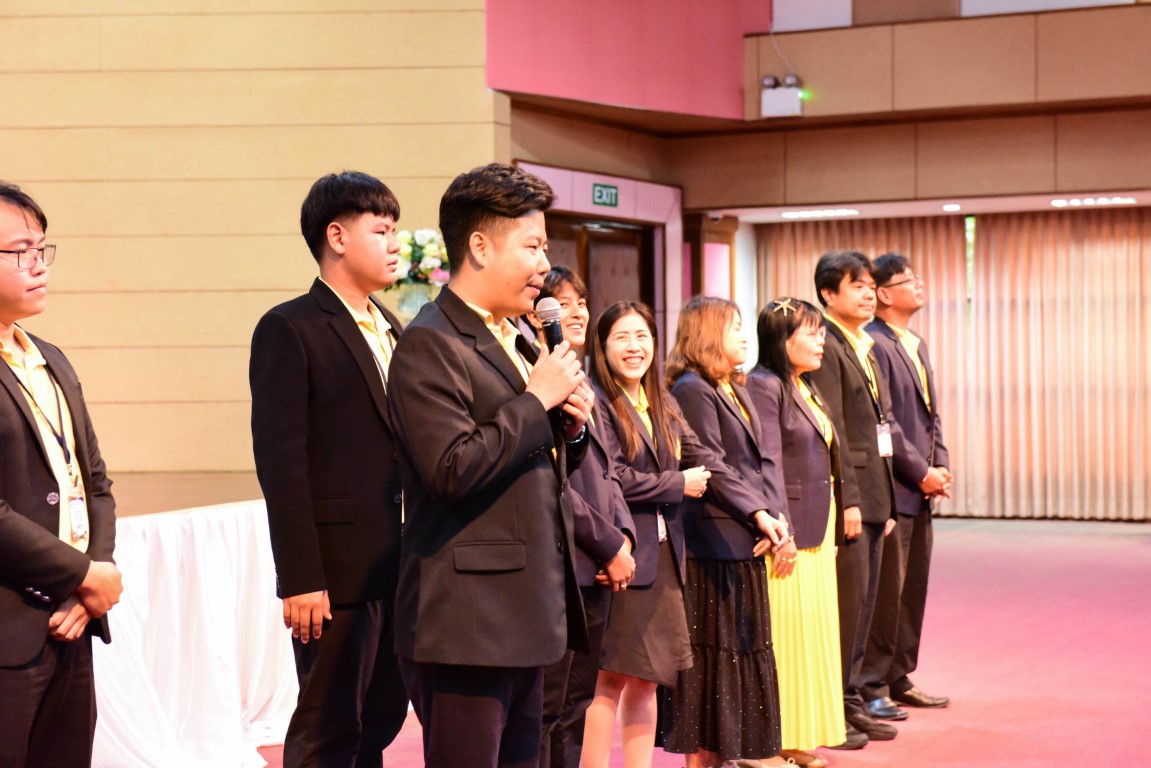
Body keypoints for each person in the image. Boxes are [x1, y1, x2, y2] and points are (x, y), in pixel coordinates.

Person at [386, 163, 592, 768]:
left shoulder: (514, 335)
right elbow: (451, 468)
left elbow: (531, 457)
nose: (543, 265)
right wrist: (536, 401)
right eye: (532, 246)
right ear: (479, 246)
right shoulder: (430, 342)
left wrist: (570, 428)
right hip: (468, 624)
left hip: (524, 612)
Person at [249, 171, 410, 767]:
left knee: (381, 718)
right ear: (337, 237)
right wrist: (300, 577)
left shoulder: (392, 327)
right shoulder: (290, 326)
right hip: (335, 573)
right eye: (382, 231)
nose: (395, 244)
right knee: (328, 728)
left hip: (399, 563)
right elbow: (281, 462)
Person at [0, 182, 123, 766]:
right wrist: (81, 574)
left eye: (41, 249)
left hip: (70, 621)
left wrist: (94, 575)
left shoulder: (49, 358)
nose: (39, 265)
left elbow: (94, 481)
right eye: (19, 251)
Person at [662, 296, 791, 768]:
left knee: (736, 657)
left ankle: (727, 758)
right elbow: (710, 464)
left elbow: (757, 464)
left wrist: (769, 514)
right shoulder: (692, 389)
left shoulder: (730, 385)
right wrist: (757, 513)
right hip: (712, 544)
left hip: (740, 537)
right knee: (713, 665)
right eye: (733, 326)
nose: (743, 334)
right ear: (706, 334)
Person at [527, 267, 637, 768]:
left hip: (599, 560)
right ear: (537, 315)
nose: (575, 312)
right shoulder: (535, 376)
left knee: (577, 702)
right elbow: (551, 481)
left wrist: (624, 536)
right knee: (547, 706)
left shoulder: (581, 377)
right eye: (563, 303)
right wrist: (607, 544)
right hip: (564, 559)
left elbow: (609, 470)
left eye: (581, 302)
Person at [747, 297, 850, 768]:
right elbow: (767, 461)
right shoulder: (764, 385)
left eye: (821, 332)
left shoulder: (802, 384)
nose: (821, 341)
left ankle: (793, 735)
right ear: (782, 340)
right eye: (811, 333)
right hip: (788, 530)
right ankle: (766, 741)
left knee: (810, 634)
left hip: (817, 526)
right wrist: (781, 529)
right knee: (785, 638)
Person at [805, 251, 898, 750]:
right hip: (852, 498)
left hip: (876, 494)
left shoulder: (865, 343)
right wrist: (851, 500)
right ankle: (836, 708)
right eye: (856, 285)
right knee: (848, 606)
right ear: (828, 294)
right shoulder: (827, 343)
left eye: (870, 285)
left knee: (865, 606)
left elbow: (878, 428)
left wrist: (885, 502)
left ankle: (851, 699)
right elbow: (835, 430)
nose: (868, 293)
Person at [858, 254, 952, 718]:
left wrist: (941, 466)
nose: (918, 285)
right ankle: (872, 682)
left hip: (920, 486)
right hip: (894, 487)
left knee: (913, 588)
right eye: (908, 280)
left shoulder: (915, 342)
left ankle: (899, 675)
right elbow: (886, 423)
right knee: (887, 594)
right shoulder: (875, 343)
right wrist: (920, 472)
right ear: (884, 294)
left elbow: (930, 416)